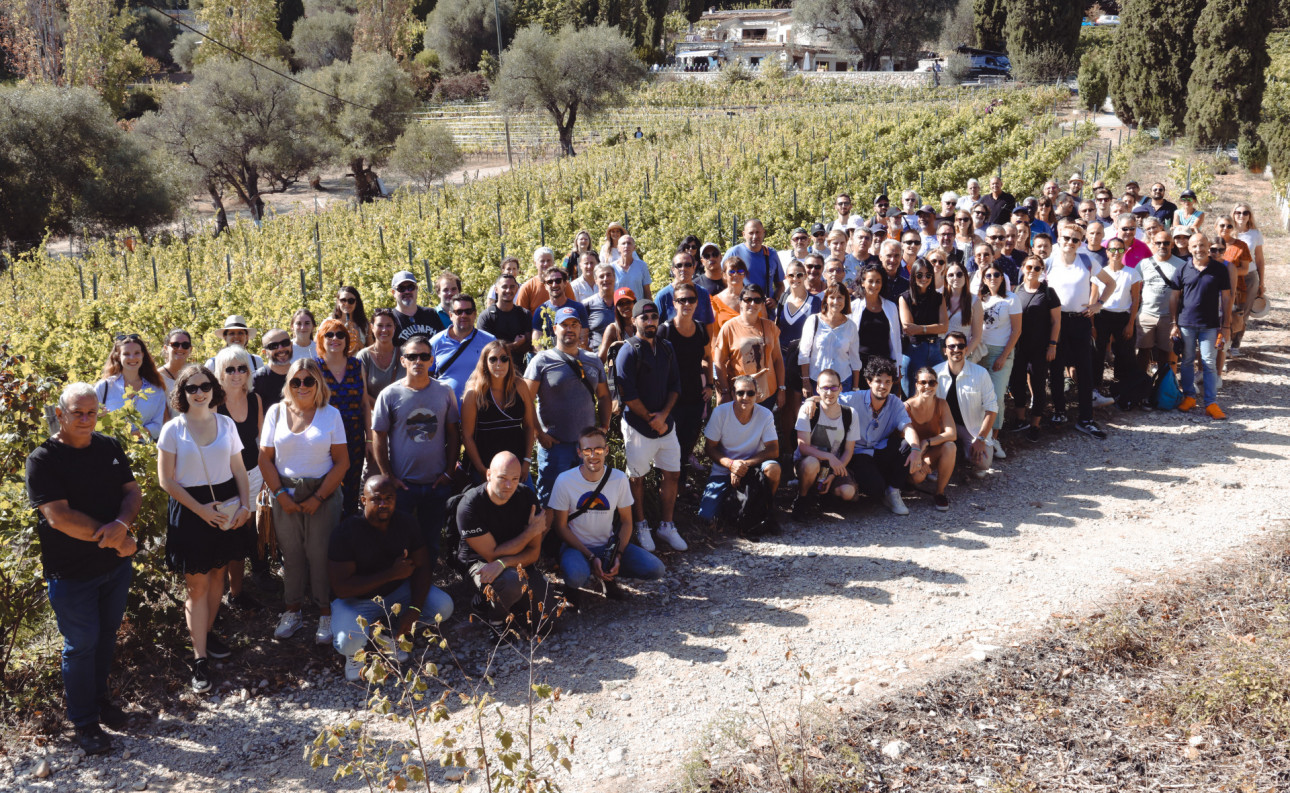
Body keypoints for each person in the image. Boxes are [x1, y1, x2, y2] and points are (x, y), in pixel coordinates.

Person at [26, 382, 141, 754]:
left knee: (106, 638)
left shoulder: (108, 446)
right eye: (78, 412)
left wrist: (122, 527)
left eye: (92, 412)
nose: (87, 419)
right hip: (71, 573)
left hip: (113, 567)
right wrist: (117, 539)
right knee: (81, 645)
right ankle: (85, 723)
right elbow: (59, 517)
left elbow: (132, 492)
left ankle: (101, 703)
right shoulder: (43, 459)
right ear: (60, 414)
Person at [157, 365, 253, 693]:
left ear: (214, 388)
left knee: (217, 577)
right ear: (182, 394)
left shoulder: (226, 423)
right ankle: (199, 660)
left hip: (225, 505)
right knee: (196, 587)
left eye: (204, 386)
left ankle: (207, 632)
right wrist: (200, 511)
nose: (199, 392)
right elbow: (166, 480)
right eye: (191, 388)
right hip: (190, 510)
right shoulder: (173, 430)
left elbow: (238, 469)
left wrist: (245, 506)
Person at [328, 475, 455, 680]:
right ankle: (360, 647)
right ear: (363, 500)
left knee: (443, 607)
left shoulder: (406, 522)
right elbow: (342, 588)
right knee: (346, 643)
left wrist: (414, 610)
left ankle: (392, 633)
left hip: (397, 594)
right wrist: (390, 574)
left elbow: (422, 567)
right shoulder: (346, 532)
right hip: (355, 602)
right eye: (377, 499)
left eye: (389, 498)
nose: (384, 504)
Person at [259, 358, 349, 644]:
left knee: (320, 553)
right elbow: (264, 458)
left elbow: (342, 462)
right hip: (284, 490)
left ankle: (325, 612)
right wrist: (279, 494)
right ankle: (293, 610)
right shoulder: (276, 412)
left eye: (308, 381)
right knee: (292, 553)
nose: (302, 386)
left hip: (323, 490)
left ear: (318, 383)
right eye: (295, 381)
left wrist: (320, 496)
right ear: (288, 384)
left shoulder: (330, 414)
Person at [372, 335, 460, 568]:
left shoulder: (444, 391)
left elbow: (453, 433)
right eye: (412, 356)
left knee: (431, 542)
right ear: (403, 361)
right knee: (397, 541)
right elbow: (378, 436)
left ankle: (426, 586)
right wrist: (389, 477)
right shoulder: (389, 395)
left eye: (423, 356)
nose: (418, 361)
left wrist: (450, 472)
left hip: (436, 484)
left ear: (432, 360)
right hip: (403, 486)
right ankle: (398, 587)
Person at [551, 427, 665, 597]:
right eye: (587, 450)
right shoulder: (565, 481)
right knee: (576, 575)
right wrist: (590, 556)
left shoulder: (618, 479)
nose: (593, 455)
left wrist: (617, 555)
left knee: (656, 569)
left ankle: (609, 578)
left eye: (598, 449)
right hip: (576, 547)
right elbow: (560, 527)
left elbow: (627, 521)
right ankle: (572, 589)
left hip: (608, 546)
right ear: (579, 453)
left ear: (606, 450)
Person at [456, 452, 557, 632]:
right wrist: (530, 532)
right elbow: (492, 554)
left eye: (515, 478)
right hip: (481, 563)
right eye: (502, 478)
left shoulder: (526, 497)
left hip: (513, 562)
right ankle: (494, 619)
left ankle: (507, 603)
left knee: (546, 622)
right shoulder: (469, 505)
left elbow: (533, 553)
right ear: (488, 475)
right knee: (511, 581)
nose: (509, 485)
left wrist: (505, 563)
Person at [615, 300, 686, 552]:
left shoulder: (666, 348)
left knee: (673, 473)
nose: (650, 321)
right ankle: (641, 525)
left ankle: (666, 526)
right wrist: (650, 419)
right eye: (644, 317)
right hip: (637, 427)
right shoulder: (628, 351)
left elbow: (676, 386)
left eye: (654, 316)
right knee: (637, 478)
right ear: (634, 321)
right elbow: (628, 396)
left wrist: (663, 416)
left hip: (666, 425)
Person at [524, 306, 611, 510]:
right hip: (556, 447)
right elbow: (526, 400)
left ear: (581, 328)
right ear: (555, 329)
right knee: (549, 500)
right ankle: (546, 540)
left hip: (587, 448)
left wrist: (604, 427)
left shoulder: (592, 360)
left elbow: (605, 396)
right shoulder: (541, 361)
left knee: (583, 499)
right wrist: (539, 433)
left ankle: (575, 539)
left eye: (574, 324)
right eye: (564, 325)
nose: (569, 329)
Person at [1047, 222, 1116, 437]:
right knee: (1056, 369)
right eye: (1066, 238)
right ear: (1059, 238)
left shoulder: (1087, 261)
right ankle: (1059, 411)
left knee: (1085, 370)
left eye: (1075, 240)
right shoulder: (1048, 263)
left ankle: (1086, 418)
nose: (1070, 242)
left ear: (1080, 243)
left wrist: (1098, 305)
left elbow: (1110, 283)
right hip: (1056, 322)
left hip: (1080, 321)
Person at [837, 357, 922, 514]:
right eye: (878, 381)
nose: (883, 386)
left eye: (888, 382)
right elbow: (827, 399)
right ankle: (864, 484)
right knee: (875, 489)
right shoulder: (853, 399)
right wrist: (810, 402)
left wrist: (916, 449)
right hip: (858, 453)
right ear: (869, 382)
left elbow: (908, 427)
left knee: (906, 446)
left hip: (879, 449)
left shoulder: (895, 403)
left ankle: (893, 491)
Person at [214, 346, 264, 611]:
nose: (236, 374)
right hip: (223, 479)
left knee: (244, 532)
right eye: (230, 369)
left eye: (241, 368)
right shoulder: (213, 402)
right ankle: (215, 596)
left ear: (248, 371)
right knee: (223, 533)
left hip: (253, 474)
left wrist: (266, 475)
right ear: (220, 372)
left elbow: (260, 440)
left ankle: (237, 591)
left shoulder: (255, 399)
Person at [699, 375, 781, 528]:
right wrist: (730, 464)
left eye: (750, 393)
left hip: (753, 469)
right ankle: (736, 510)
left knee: (773, 468)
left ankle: (766, 507)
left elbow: (773, 450)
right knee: (706, 518)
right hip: (723, 470)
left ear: (757, 394)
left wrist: (744, 465)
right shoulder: (720, 413)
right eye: (740, 393)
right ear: (732, 393)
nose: (745, 397)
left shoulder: (765, 414)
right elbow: (709, 448)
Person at [1171, 232, 1232, 420]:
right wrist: (1174, 324)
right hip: (1186, 323)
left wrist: (1227, 325)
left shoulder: (1219, 269)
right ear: (1189, 249)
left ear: (1208, 247)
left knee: (1209, 363)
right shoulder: (1182, 269)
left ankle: (1211, 403)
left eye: (1202, 245)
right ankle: (1189, 397)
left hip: (1210, 325)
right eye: (1195, 246)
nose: (1199, 249)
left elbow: (1227, 297)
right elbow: (1174, 297)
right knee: (1187, 361)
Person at [315, 318, 370, 516]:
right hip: (325, 438)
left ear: (347, 341)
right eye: (329, 335)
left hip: (354, 436)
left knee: (352, 489)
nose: (335, 339)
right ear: (321, 340)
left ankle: (349, 533)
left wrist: (369, 438)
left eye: (340, 335)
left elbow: (364, 404)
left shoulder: (356, 365)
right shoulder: (315, 368)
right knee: (327, 486)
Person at [658, 282, 713, 477]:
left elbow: (707, 357)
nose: (687, 304)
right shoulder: (665, 331)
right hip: (672, 400)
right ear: (674, 303)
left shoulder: (699, 329)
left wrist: (710, 385)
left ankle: (683, 486)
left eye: (691, 299)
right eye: (682, 300)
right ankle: (667, 487)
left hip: (695, 396)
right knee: (670, 448)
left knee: (688, 443)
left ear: (697, 303)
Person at [461, 339, 535, 485]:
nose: (499, 364)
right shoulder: (474, 393)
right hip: (486, 467)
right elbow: (467, 436)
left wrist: (526, 461)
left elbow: (529, 426)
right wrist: (482, 469)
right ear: (485, 363)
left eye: (504, 358)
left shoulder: (520, 386)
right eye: (493, 359)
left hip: (517, 465)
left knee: (528, 505)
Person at [790, 368, 860, 517]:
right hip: (810, 462)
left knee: (847, 492)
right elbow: (803, 447)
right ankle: (802, 499)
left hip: (832, 467)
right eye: (825, 388)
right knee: (811, 463)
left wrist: (834, 474)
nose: (830, 392)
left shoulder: (850, 414)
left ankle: (823, 494)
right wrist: (828, 456)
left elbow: (848, 450)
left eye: (834, 387)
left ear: (841, 388)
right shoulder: (808, 410)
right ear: (817, 389)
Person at [1008, 256, 1061, 442]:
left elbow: (1056, 322)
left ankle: (1035, 424)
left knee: (1038, 386)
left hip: (1040, 348)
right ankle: (1020, 419)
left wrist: (1052, 345)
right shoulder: (1014, 291)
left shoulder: (1048, 293)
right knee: (1017, 383)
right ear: (1022, 268)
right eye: (1029, 266)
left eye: (1037, 268)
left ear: (1042, 271)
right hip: (1018, 347)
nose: (1032, 270)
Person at [935, 332, 997, 478]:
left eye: (961, 345)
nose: (956, 349)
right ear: (944, 350)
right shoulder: (935, 372)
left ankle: (963, 452)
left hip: (972, 428)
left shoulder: (980, 373)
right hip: (944, 427)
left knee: (983, 463)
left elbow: (992, 408)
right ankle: (943, 458)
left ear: (966, 348)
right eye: (951, 346)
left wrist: (981, 439)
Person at [715, 284, 785, 411]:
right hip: (741, 393)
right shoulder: (729, 328)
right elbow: (719, 362)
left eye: (757, 300)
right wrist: (725, 391)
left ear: (762, 304)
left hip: (767, 392)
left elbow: (778, 360)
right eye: (748, 299)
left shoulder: (770, 327)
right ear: (740, 302)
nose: (752, 303)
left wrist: (781, 388)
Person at [976, 261, 1021, 456]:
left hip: (1000, 352)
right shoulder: (979, 299)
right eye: (988, 276)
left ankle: (993, 439)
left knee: (995, 396)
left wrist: (1004, 355)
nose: (992, 278)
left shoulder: (1011, 298)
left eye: (996, 275)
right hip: (978, 352)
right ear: (983, 279)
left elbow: (1017, 330)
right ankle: (979, 436)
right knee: (978, 398)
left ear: (1002, 278)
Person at [1093, 238, 1144, 410]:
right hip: (1102, 316)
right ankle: (1096, 391)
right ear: (1107, 251)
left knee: (1126, 354)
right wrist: (1092, 324)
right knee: (1098, 353)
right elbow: (1093, 298)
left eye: (1120, 250)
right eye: (1112, 249)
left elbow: (1136, 299)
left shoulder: (1132, 273)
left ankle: (1124, 392)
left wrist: (1131, 323)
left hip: (1123, 317)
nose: (1116, 253)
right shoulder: (1100, 273)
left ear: (1124, 252)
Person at [903, 366, 956, 510]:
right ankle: (906, 482)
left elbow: (952, 434)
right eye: (923, 382)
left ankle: (939, 492)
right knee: (917, 478)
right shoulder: (906, 407)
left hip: (930, 452)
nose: (927, 386)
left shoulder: (941, 404)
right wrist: (917, 454)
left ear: (937, 385)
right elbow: (899, 441)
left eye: (932, 383)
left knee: (950, 446)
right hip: (910, 455)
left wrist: (926, 442)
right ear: (916, 385)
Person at [95, 333, 166, 441]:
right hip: (110, 450)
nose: (132, 358)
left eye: (137, 353)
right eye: (126, 354)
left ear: (143, 354)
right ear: (118, 356)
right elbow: (91, 420)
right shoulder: (105, 386)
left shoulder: (156, 389)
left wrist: (130, 437)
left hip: (143, 453)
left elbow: (157, 426)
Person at [1137, 230, 1185, 379]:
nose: (1162, 246)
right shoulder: (1144, 264)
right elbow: (1135, 289)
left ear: (1171, 244)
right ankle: (1140, 386)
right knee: (1143, 352)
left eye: (1166, 243)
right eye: (1158, 243)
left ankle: (1162, 387)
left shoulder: (1181, 265)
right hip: (1146, 314)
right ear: (1153, 243)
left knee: (1166, 353)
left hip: (1168, 316)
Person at [431, 294, 495, 403]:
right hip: (446, 410)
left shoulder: (489, 341)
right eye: (459, 312)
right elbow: (426, 376)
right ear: (451, 315)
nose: (464, 315)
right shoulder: (435, 342)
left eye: (468, 311)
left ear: (475, 314)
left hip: (482, 409)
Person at [799, 283, 861, 394]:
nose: (836, 302)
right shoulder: (813, 321)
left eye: (840, 297)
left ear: (846, 300)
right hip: (816, 382)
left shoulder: (851, 326)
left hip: (843, 383)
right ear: (826, 299)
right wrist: (806, 382)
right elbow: (804, 354)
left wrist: (855, 388)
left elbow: (855, 359)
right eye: (832, 297)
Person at [898, 259, 948, 397]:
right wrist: (933, 327)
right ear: (913, 276)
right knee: (912, 396)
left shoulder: (939, 298)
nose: (924, 278)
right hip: (914, 350)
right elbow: (908, 327)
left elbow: (944, 327)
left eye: (928, 275)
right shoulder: (905, 298)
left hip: (936, 348)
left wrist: (920, 329)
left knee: (939, 394)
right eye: (919, 275)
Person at [851, 266, 902, 388]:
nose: (874, 285)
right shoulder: (853, 307)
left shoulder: (891, 307)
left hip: (884, 366)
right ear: (862, 283)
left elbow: (896, 340)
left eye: (878, 281)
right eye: (870, 281)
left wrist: (898, 367)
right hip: (859, 366)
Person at [724, 219, 785, 309]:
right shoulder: (734, 252)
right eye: (751, 233)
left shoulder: (771, 254)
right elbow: (721, 279)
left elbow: (780, 285)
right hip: (741, 310)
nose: (755, 236)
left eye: (758, 232)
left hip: (766, 312)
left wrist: (775, 300)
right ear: (744, 234)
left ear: (763, 233)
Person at [1230, 203, 1265, 357]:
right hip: (1229, 276)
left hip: (1249, 277)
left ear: (1250, 216)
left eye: (1245, 213)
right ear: (1233, 214)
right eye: (1238, 212)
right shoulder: (1227, 231)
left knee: (1242, 312)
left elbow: (1260, 260)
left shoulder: (1255, 234)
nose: (1241, 216)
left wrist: (1262, 282)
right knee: (1226, 309)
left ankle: (1235, 345)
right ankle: (1223, 344)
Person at [478, 273, 532, 367]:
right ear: (496, 289)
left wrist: (502, 345)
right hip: (495, 369)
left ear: (516, 289)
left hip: (520, 371)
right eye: (504, 287)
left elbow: (529, 345)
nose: (508, 290)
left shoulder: (524, 314)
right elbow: (488, 350)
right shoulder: (486, 317)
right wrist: (515, 345)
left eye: (512, 287)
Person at [356, 309, 404, 404]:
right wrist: (383, 410)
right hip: (374, 414)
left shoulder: (405, 354)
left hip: (402, 413)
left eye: (389, 325)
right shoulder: (364, 356)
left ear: (395, 327)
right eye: (380, 325)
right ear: (372, 327)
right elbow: (361, 392)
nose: (384, 330)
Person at [656, 251, 716, 327]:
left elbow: (709, 325)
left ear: (694, 268)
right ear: (673, 269)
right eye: (679, 265)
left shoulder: (703, 293)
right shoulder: (662, 296)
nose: (683, 268)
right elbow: (656, 327)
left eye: (688, 265)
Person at [390, 271, 446, 346]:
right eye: (401, 288)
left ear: (416, 289)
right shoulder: (390, 319)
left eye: (411, 287)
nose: (407, 291)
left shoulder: (430, 314)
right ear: (393, 292)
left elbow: (443, 342)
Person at [253, 329, 294, 411]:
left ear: (291, 345)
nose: (280, 348)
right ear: (265, 353)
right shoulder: (256, 380)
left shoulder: (303, 375)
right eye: (273, 346)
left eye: (285, 343)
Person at [581, 263, 618, 353]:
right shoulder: (587, 305)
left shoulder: (623, 302)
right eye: (601, 276)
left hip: (622, 354)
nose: (606, 279)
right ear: (596, 280)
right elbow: (582, 338)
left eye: (609, 275)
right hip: (597, 358)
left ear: (614, 277)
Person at [598, 287, 637, 367]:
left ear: (634, 303)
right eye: (621, 304)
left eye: (628, 302)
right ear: (616, 308)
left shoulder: (642, 325)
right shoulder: (612, 329)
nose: (625, 306)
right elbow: (601, 359)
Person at [712, 257, 750, 329]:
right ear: (724, 275)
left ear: (744, 274)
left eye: (740, 271)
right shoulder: (716, 301)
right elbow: (714, 335)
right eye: (731, 272)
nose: (736, 274)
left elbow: (765, 329)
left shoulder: (756, 299)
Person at [612, 235, 653, 300]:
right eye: (623, 243)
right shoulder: (612, 268)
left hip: (638, 308)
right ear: (618, 248)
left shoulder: (642, 266)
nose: (626, 246)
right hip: (619, 308)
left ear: (634, 247)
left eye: (629, 243)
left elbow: (647, 292)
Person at [158, 329, 193, 395]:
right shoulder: (157, 377)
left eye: (185, 345)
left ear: (190, 349)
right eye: (175, 344)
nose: (180, 348)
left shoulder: (197, 374)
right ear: (166, 348)